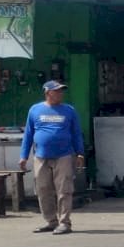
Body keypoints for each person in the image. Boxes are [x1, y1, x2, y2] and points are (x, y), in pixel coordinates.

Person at [19, 80, 86, 235]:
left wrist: (80, 153)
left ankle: (64, 223)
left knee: (64, 190)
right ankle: (50, 221)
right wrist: (23, 156)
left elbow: (76, 134)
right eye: (57, 91)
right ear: (47, 92)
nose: (60, 93)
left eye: (61, 91)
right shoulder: (35, 110)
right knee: (43, 189)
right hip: (41, 157)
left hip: (64, 156)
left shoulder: (69, 110)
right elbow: (28, 134)